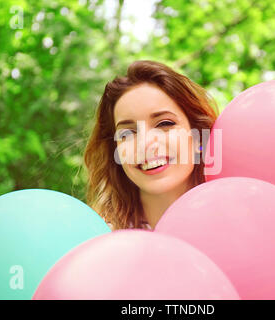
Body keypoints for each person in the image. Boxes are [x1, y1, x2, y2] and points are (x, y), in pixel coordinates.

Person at [83, 60, 218, 231]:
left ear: (198, 136)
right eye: (127, 134)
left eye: (164, 123)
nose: (145, 143)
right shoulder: (102, 241)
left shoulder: (235, 220)